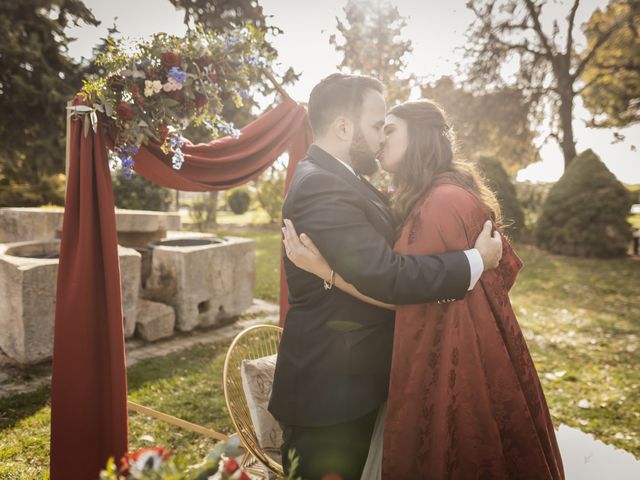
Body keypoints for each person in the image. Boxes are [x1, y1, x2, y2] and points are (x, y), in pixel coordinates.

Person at [282, 99, 565, 479]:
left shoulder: (440, 203)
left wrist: (324, 269)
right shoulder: (432, 194)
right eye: (379, 127)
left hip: (448, 365)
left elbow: (407, 293)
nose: (381, 138)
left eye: (391, 128)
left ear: (420, 136)